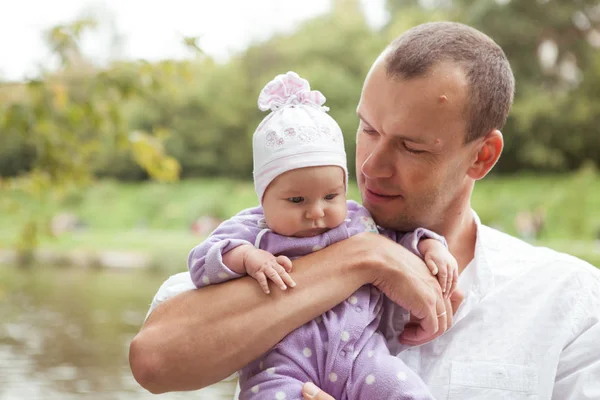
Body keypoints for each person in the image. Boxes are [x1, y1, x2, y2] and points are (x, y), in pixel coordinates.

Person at [129, 21, 600, 400]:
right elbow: (153, 361)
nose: (372, 165)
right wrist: (364, 258)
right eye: (368, 129)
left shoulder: (570, 299)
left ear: (482, 156)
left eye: (412, 148)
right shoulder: (263, 240)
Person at [186, 71, 457, 400]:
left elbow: (401, 244)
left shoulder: (360, 222)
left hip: (363, 357)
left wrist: (431, 246)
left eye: (331, 197)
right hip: (282, 367)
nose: (316, 211)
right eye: (297, 200)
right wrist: (246, 258)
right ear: (264, 198)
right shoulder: (253, 230)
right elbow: (202, 261)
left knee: (405, 390)